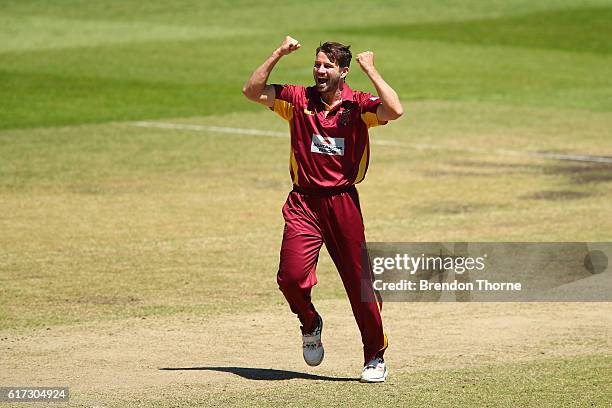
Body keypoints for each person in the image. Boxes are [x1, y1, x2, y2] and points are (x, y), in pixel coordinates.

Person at [242, 36, 403, 382]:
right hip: (303, 202)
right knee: (290, 278)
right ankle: (310, 322)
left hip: (342, 202)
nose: (319, 70)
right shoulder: (297, 100)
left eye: (328, 65)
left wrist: (371, 69)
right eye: (317, 64)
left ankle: (375, 355)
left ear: (343, 72)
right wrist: (278, 53)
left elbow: (394, 109)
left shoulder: (357, 105)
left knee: (359, 284)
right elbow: (251, 91)